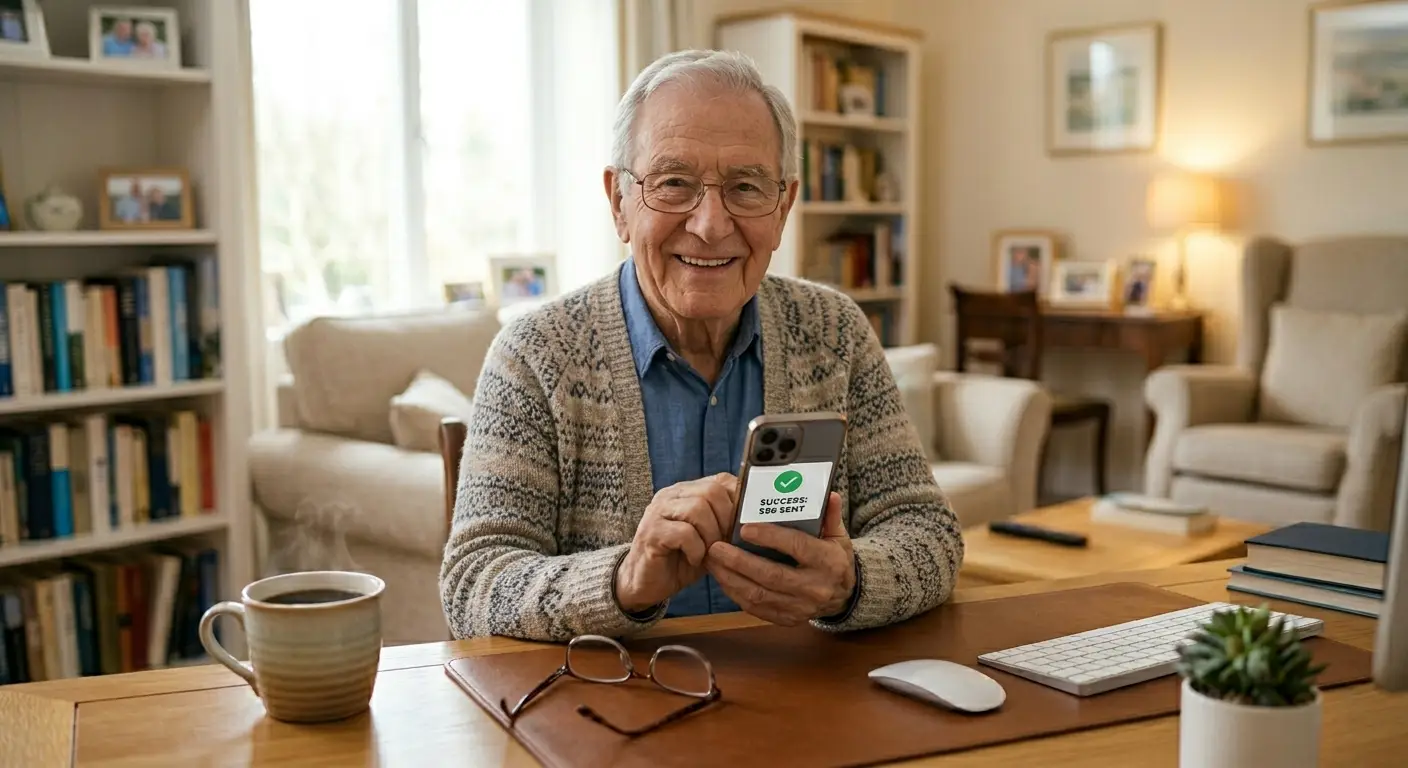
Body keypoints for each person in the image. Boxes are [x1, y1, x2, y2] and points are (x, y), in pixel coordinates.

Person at [439, 49, 963, 643]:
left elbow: (930, 533)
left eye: (745, 187)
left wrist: (851, 580)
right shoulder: (535, 355)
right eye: (674, 183)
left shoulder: (835, 331)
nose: (711, 224)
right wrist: (623, 579)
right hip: (611, 707)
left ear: (784, 208)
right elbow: (473, 586)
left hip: (807, 700)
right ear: (619, 203)